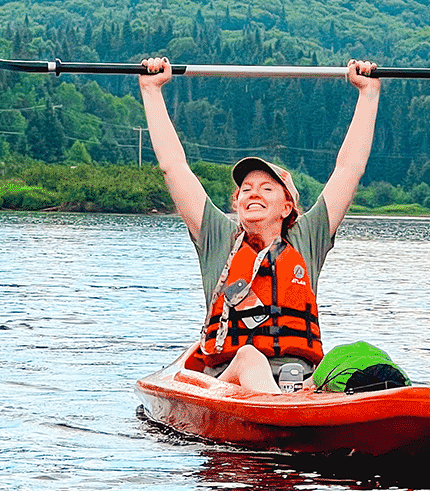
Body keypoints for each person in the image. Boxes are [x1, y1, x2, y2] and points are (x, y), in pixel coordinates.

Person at [139, 57, 381, 393]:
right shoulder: (217, 238)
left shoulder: (306, 238)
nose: (253, 194)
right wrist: (151, 90)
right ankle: (283, 411)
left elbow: (349, 168)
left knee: (356, 358)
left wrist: (368, 94)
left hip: (299, 382)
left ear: (286, 206)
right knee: (251, 357)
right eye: (245, 190)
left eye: (266, 188)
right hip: (231, 379)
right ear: (236, 204)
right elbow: (174, 167)